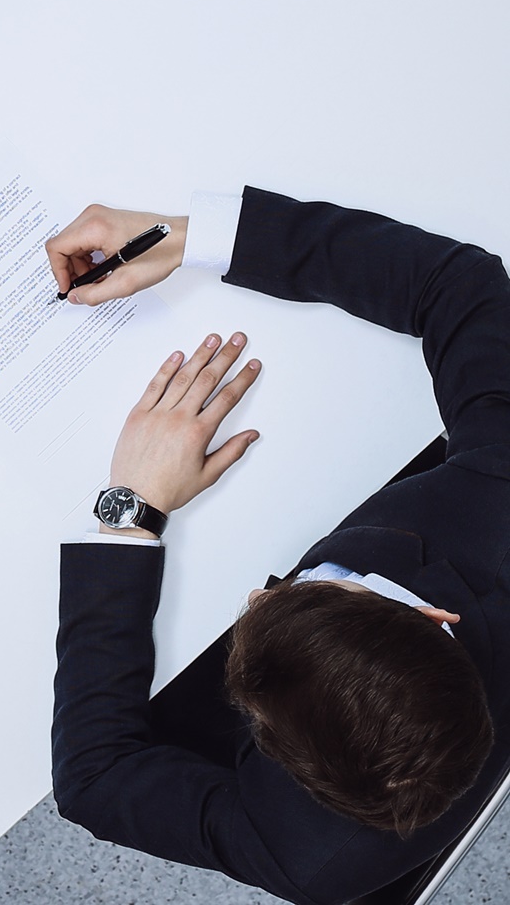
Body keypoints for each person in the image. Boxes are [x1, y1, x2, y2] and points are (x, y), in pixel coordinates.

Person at [46, 187, 510, 905]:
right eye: (305, 589)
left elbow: (94, 780)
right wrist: (193, 237)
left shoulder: (308, 857)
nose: (262, 592)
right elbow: (460, 284)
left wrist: (130, 515)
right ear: (429, 615)